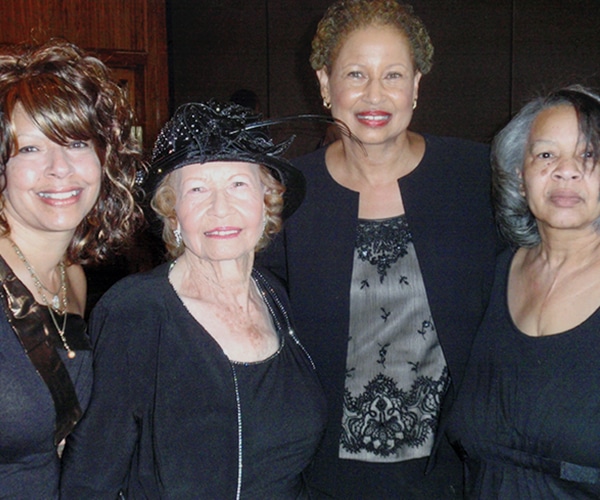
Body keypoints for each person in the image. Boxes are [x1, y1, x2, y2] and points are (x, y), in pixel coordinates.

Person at [256, 0, 503, 497]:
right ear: (325, 85)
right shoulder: (286, 194)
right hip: (326, 476)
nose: (374, 94)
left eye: (393, 74)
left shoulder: (477, 177)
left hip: (454, 473)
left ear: (416, 84)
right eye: (355, 74)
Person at [60, 100, 327, 498]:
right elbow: (91, 477)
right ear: (173, 213)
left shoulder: (274, 295)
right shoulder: (136, 311)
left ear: (267, 199)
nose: (221, 208)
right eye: (198, 189)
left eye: (238, 184)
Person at [0, 39, 144, 498]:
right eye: (30, 149)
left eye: (77, 142)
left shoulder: (72, 277)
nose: (59, 168)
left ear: (105, 157)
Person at [447, 85, 600, 498]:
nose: (566, 170)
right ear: (519, 173)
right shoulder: (492, 275)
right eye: (546, 154)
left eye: (588, 155)